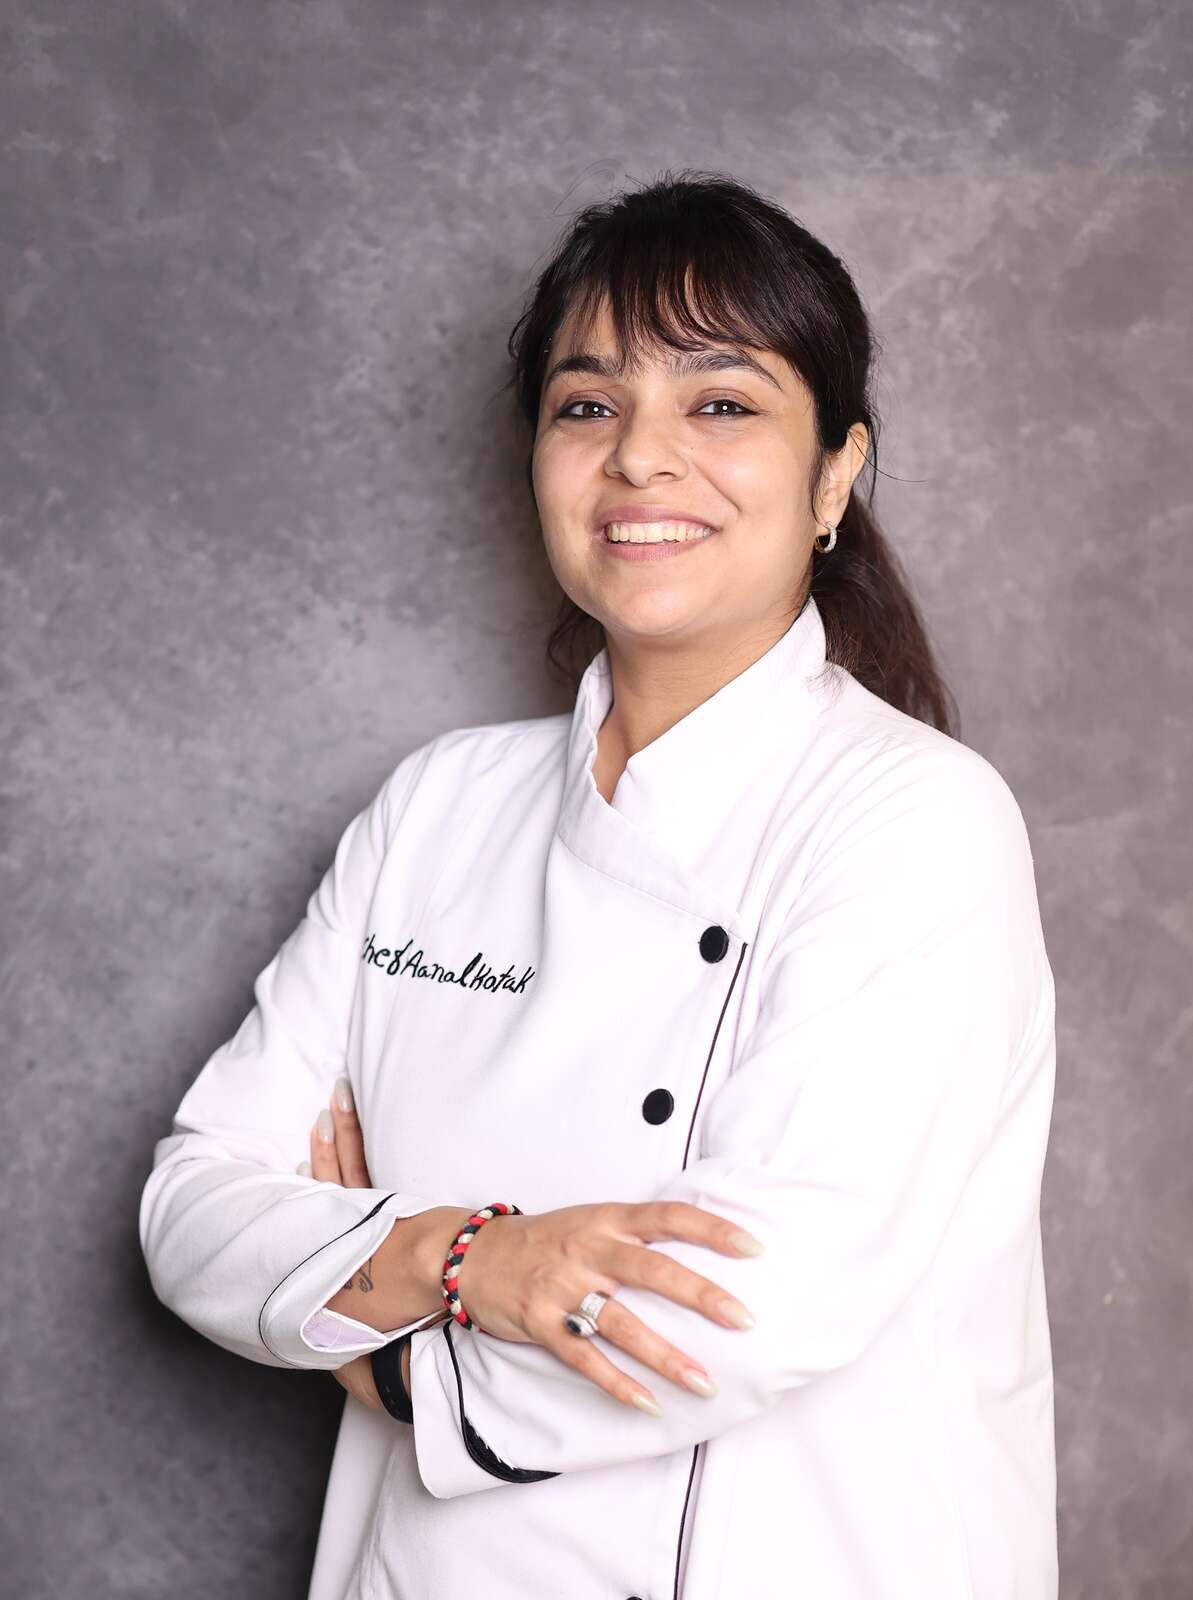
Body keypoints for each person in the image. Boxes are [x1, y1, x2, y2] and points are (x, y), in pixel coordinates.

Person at [139, 169, 1059, 1600]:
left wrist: (373, 1340)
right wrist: (459, 1259)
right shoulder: (438, 805)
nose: (640, 457)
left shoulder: (912, 820)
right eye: (587, 406)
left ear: (834, 476)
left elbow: (733, 1315)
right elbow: (195, 1209)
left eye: (721, 403)